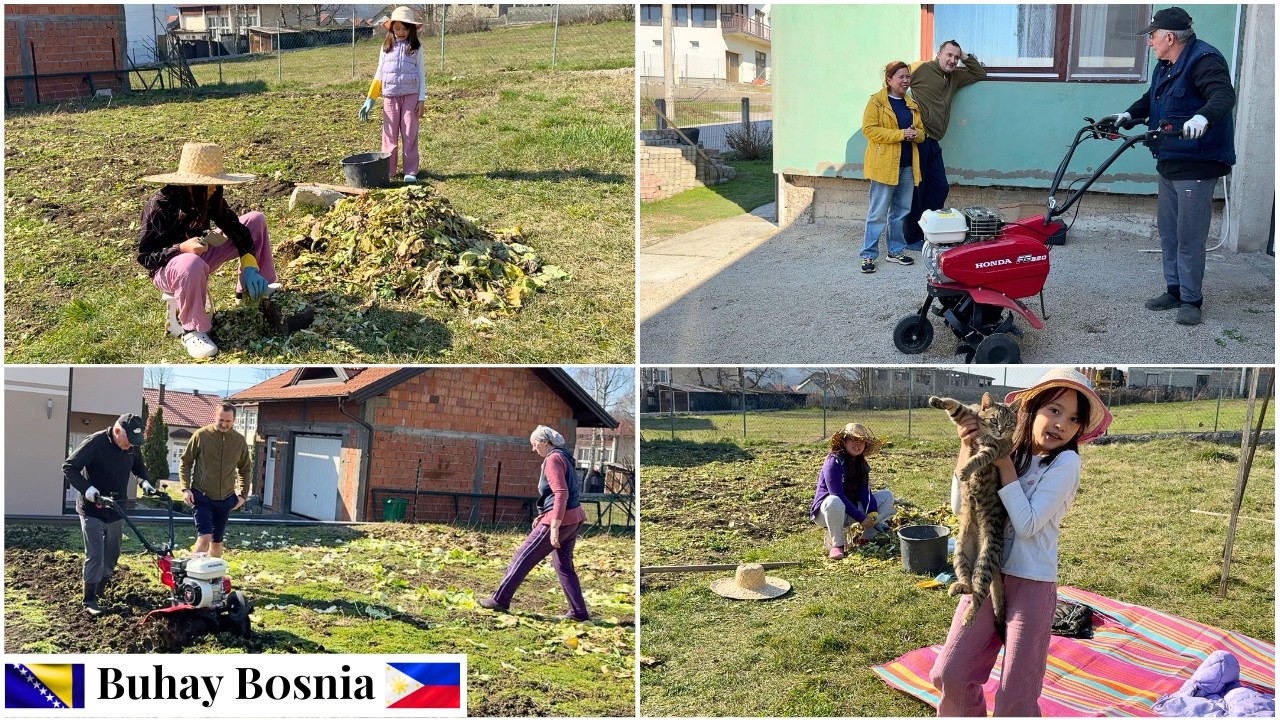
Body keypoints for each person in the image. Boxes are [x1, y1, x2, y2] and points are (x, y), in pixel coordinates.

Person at [929, 367, 1114, 716]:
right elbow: (960, 506)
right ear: (1032, 409)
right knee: (949, 672)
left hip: (1032, 582)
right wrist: (967, 447)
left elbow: (1027, 524)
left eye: (1073, 419)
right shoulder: (1008, 448)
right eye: (1054, 410)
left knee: (1016, 695)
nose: (1061, 424)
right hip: (989, 575)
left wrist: (1002, 464)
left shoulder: (1066, 462)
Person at [1101, 7, 1235, 327]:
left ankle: (1191, 300)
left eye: (1152, 35)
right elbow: (1151, 101)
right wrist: (1125, 117)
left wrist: (1203, 117)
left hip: (1197, 164)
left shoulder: (1204, 60)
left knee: (1188, 237)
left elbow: (1222, 94)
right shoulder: (1165, 65)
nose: (1149, 41)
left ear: (1169, 37)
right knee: (1169, 235)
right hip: (1170, 162)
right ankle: (1174, 290)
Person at [138, 141, 277, 360]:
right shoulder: (160, 205)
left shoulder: (211, 197)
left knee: (255, 220)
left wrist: (249, 263)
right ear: (188, 184)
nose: (213, 189)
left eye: (216, 184)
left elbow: (235, 228)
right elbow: (146, 257)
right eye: (208, 185)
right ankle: (193, 329)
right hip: (170, 269)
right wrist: (181, 248)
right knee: (190, 262)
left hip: (201, 255)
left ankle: (255, 284)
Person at [479, 425, 590, 621]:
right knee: (564, 566)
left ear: (545, 442)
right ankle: (579, 612)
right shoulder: (564, 457)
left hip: (559, 521)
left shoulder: (553, 459)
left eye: (534, 444)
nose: (533, 448)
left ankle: (500, 600)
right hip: (573, 518)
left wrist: (554, 526)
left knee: (522, 556)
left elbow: (561, 493)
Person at [63, 414, 156, 615]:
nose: (131, 446)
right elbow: (69, 467)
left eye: (135, 443)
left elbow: (138, 468)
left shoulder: (132, 445)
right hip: (92, 509)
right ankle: (89, 600)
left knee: (112, 554)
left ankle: (100, 588)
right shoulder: (95, 443)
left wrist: (145, 482)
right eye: (128, 441)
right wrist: (88, 490)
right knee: (95, 554)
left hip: (116, 508)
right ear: (116, 432)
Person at [903, 40, 987, 250]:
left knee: (939, 187)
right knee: (917, 189)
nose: (952, 60)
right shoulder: (920, 69)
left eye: (956, 57)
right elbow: (897, 82)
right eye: (949, 55)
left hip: (934, 142)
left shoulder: (955, 77)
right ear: (938, 54)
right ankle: (911, 238)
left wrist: (965, 55)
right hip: (919, 139)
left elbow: (979, 74)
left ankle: (932, 230)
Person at [860, 61, 925, 274]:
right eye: (901, 77)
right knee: (878, 212)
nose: (906, 81)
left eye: (908, 77)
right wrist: (901, 134)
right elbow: (869, 130)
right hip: (884, 166)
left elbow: (922, 133)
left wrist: (916, 134)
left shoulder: (911, 104)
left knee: (900, 212)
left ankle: (895, 251)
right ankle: (868, 255)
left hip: (907, 166)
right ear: (889, 80)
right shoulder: (877, 102)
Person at [359, 6, 427, 184]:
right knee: (389, 134)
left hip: (411, 96)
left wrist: (422, 99)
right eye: (397, 28)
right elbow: (379, 73)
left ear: (411, 29)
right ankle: (389, 169)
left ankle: (410, 170)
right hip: (390, 97)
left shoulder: (416, 48)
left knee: (409, 132)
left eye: (405, 28)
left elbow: (421, 73)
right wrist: (370, 99)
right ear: (391, 29)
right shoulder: (385, 48)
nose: (401, 32)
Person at [811, 422, 896, 560]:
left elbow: (864, 491)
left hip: (849, 511)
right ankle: (837, 545)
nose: (857, 444)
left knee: (887, 496)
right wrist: (861, 518)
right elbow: (836, 494)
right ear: (844, 441)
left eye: (861, 441)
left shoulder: (861, 463)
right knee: (834, 501)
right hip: (827, 513)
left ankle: (866, 538)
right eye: (853, 439)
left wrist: (873, 517)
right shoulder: (834, 461)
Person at [179, 403, 252, 558]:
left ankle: (214, 577)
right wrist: (186, 489)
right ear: (215, 417)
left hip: (225, 498)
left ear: (234, 420)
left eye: (228, 421)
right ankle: (194, 575)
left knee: (217, 541)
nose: (224, 424)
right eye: (221, 420)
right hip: (202, 495)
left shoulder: (239, 441)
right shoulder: (201, 435)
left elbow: (245, 469)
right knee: (205, 536)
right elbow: (185, 462)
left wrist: (243, 495)